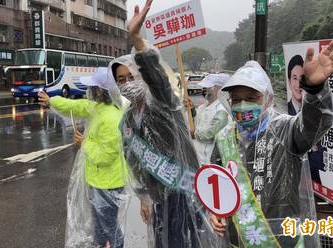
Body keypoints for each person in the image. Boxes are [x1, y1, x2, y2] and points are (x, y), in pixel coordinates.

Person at [210, 40, 333, 247]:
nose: (242, 105)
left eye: (251, 97)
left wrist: (314, 88)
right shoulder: (224, 138)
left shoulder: (285, 128)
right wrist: (215, 209)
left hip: (282, 238)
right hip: (238, 236)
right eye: (236, 99)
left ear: (266, 98)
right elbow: (216, 181)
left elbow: (315, 123)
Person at [108, 1, 218, 247]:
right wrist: (144, 198)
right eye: (121, 80)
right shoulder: (126, 121)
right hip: (159, 198)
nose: (127, 84)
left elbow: (157, 79)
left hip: (185, 190)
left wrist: (137, 40)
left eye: (132, 76)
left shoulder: (162, 103)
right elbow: (134, 162)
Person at [38, 68, 128, 248]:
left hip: (109, 184)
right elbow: (75, 106)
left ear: (100, 90)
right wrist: (51, 101)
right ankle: (101, 245)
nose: (89, 91)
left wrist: (84, 143)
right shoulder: (98, 107)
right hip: (98, 180)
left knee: (110, 226)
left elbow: (107, 156)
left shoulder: (111, 117)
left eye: (92, 87)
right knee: (100, 225)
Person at [287, 55, 325, 184]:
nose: (298, 84)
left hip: (312, 183)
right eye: (294, 78)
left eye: (302, 79)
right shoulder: (282, 115)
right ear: (289, 81)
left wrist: (313, 146)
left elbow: (322, 164)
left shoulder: (317, 113)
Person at [185, 73, 231, 165]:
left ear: (219, 89)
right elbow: (197, 121)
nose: (204, 89)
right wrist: (192, 110)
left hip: (208, 161)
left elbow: (209, 134)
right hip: (196, 156)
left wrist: (194, 133)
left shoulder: (222, 110)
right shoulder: (203, 106)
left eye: (208, 87)